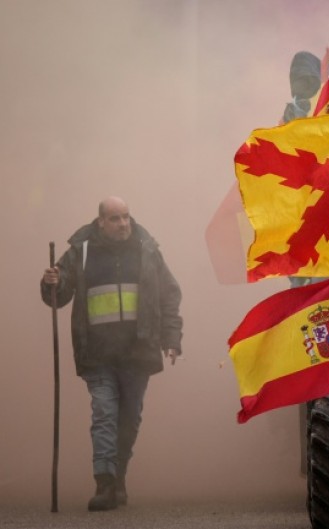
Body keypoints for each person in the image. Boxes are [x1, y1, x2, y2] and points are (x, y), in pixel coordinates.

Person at [40, 196, 183, 511]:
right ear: (100, 222)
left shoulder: (147, 251)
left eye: (126, 217)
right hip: (97, 353)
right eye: (115, 219)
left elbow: (169, 294)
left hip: (138, 353)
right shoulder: (82, 251)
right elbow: (58, 292)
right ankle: (104, 484)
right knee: (105, 415)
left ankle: (119, 479)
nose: (123, 224)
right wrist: (51, 281)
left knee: (129, 421)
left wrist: (171, 338)